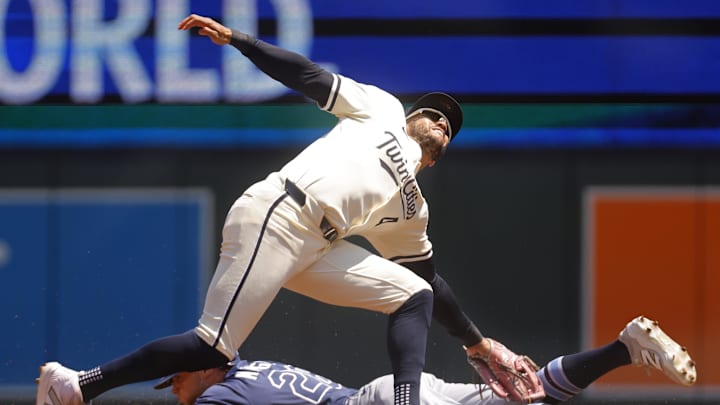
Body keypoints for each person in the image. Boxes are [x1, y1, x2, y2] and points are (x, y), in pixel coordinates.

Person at [36, 13, 506, 405]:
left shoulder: (412, 211)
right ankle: (77, 385)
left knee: (412, 294)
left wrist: (478, 343)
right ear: (411, 118)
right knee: (212, 346)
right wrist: (241, 40)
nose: (441, 121)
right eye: (433, 112)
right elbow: (308, 75)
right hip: (282, 211)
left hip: (316, 248)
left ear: (439, 153)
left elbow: (431, 283)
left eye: (449, 125)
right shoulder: (382, 111)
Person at [155, 315, 697, 405]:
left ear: (207, 365)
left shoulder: (221, 394)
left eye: (177, 378)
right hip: (395, 391)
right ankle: (624, 349)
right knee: (530, 395)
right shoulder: (253, 370)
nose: (176, 389)